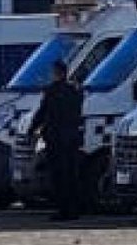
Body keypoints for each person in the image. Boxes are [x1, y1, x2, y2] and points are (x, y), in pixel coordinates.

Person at [33, 64, 92, 220]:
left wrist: (32, 128)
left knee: (59, 176)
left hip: (56, 139)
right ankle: (74, 209)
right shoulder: (75, 91)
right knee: (72, 174)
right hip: (72, 138)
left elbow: (42, 112)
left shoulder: (51, 91)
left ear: (56, 73)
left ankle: (63, 210)